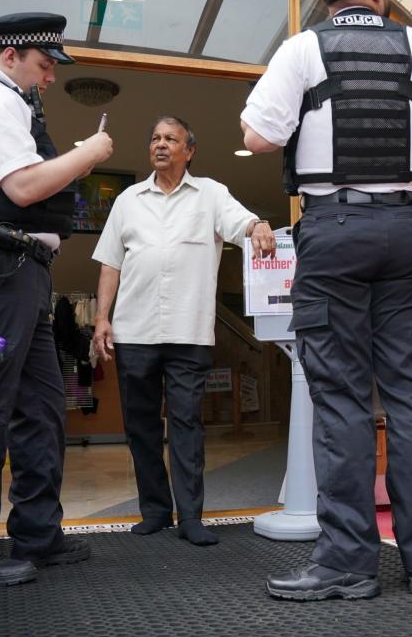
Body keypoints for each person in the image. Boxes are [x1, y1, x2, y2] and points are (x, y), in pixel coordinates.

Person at [240, 0, 412, 600]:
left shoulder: (301, 50)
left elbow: (257, 136)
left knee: (340, 396)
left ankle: (346, 565)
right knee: (406, 392)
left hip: (333, 230)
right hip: (405, 229)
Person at [0, 12, 114, 587]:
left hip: (20, 272)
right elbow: (25, 186)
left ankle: (39, 534)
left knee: (40, 408)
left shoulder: (14, 100)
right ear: (10, 55)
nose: (50, 78)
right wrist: (90, 152)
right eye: (44, 64)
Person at [91, 116, 276, 546]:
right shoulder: (128, 201)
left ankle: (191, 516)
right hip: (134, 331)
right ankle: (154, 510)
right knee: (141, 427)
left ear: (189, 150)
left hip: (188, 333)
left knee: (187, 424)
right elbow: (110, 263)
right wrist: (102, 318)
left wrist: (259, 226)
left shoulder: (210, 194)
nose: (160, 145)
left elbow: (240, 222)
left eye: (170, 139)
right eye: (154, 138)